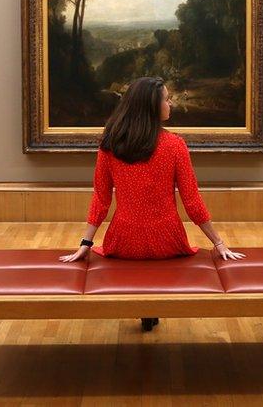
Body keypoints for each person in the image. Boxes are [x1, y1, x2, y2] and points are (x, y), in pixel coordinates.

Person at [58, 76, 245, 330]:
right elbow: (191, 200)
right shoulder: (175, 145)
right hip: (167, 243)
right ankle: (151, 309)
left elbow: (101, 198)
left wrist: (85, 243)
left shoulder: (110, 144)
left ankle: (146, 309)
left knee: (124, 238)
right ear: (152, 106)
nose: (171, 104)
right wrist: (218, 243)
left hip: (123, 243)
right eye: (167, 99)